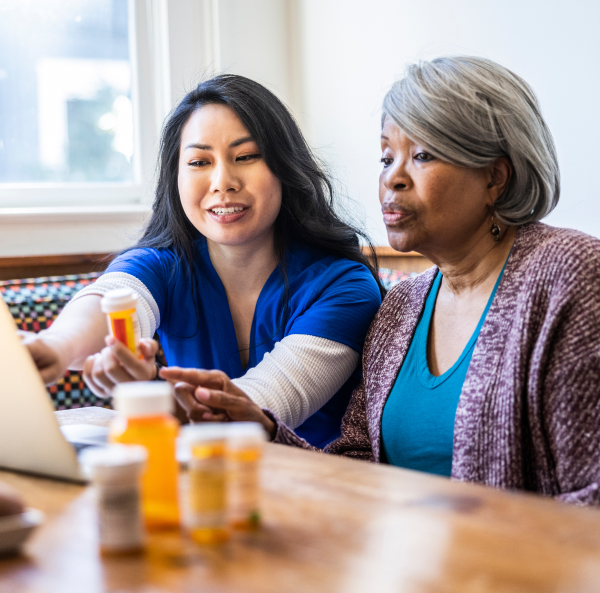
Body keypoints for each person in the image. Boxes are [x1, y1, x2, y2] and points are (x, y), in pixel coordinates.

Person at [163, 56, 600, 506]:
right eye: (386, 157)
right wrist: (263, 430)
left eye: (423, 155)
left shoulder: (571, 275)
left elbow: (591, 496)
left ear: (495, 177)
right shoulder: (401, 306)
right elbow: (357, 466)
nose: (393, 178)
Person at [23, 75, 383, 449]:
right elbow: (113, 300)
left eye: (246, 157)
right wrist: (54, 348)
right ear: (175, 179)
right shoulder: (162, 266)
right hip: (200, 482)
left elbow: (256, 410)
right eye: (198, 162)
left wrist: (145, 393)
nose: (222, 181)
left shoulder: (344, 286)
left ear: (284, 168)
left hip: (314, 486)